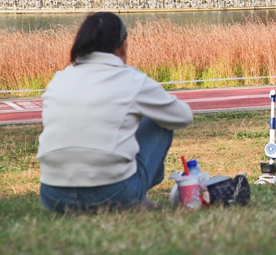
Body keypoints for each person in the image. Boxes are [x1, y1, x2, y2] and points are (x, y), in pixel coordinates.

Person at [37, 12, 193, 212]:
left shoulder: (59, 79)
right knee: (159, 122)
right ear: (122, 45)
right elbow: (182, 116)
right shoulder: (132, 80)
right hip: (112, 195)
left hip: (53, 196)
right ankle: (135, 196)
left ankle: (130, 193)